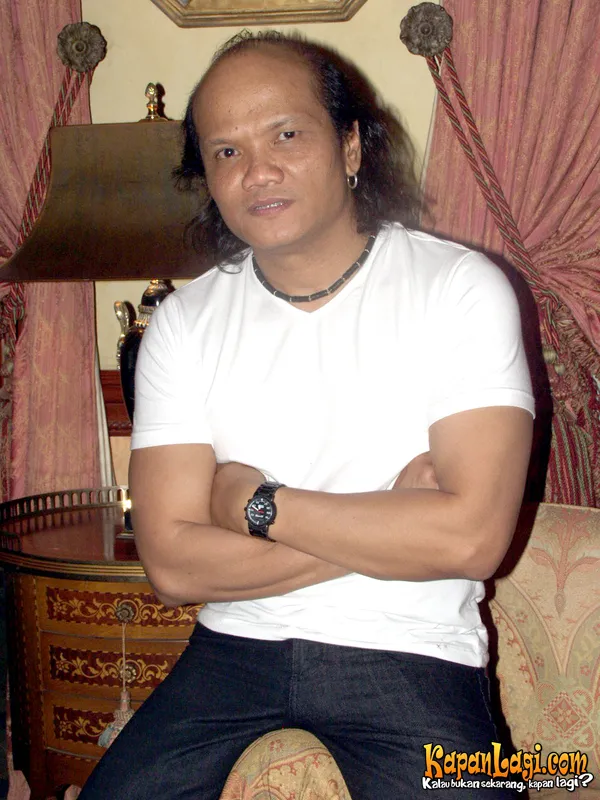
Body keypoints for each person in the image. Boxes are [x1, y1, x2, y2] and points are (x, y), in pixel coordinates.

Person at [80, 31, 534, 799]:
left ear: (351, 146)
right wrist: (393, 516)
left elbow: (471, 539)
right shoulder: (185, 323)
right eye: (226, 151)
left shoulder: (458, 289)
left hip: (412, 653)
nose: (257, 171)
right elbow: (174, 567)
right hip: (232, 650)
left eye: (286, 135)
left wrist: (255, 506)